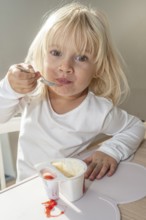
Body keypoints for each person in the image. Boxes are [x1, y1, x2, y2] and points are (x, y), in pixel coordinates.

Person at [0, 2, 145, 182]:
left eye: (81, 58)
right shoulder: (32, 93)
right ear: (42, 54)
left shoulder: (98, 110)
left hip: (73, 189)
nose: (65, 67)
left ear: (98, 68)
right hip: (27, 188)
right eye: (56, 52)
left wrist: (110, 151)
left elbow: (136, 127)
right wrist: (9, 88)